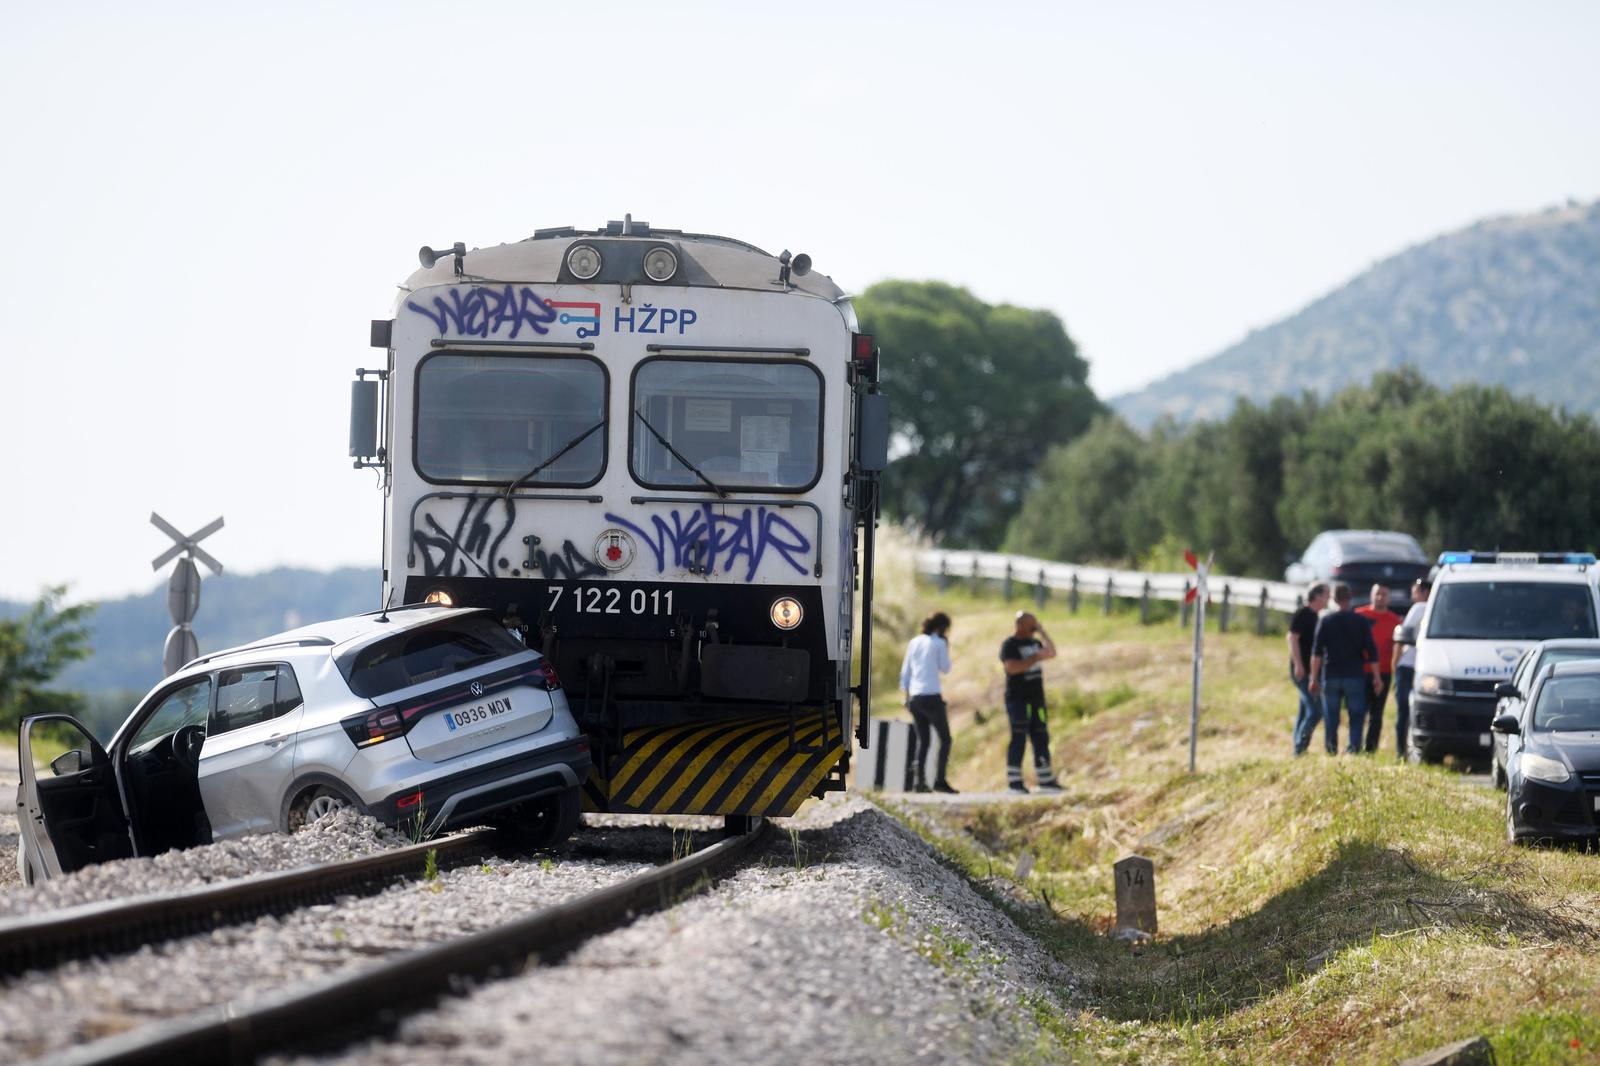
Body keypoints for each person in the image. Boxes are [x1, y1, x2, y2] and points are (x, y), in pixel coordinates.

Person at [1308, 583, 1381, 755]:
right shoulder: (1361, 622)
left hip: (1331, 675)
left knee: (1331, 717)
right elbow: (1372, 651)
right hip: (1354, 675)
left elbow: (1316, 652)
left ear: (1334, 599)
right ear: (1350, 598)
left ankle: (1331, 750)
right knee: (1356, 716)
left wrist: (1313, 677)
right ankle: (1353, 749)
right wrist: (1377, 677)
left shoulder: (1326, 621)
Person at [999, 611, 1062, 793]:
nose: (1033, 628)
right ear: (1020, 625)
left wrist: (1042, 631)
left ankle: (1046, 779)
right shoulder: (1010, 644)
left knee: (1041, 736)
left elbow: (1052, 652)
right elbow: (1012, 668)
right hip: (1018, 699)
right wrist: (1034, 657)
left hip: (1036, 699)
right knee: (1018, 736)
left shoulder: (1035, 642)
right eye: (1031, 625)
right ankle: (1015, 782)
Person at [899, 612, 957, 793]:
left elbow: (906, 671)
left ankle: (919, 782)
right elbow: (945, 668)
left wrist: (906, 697)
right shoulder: (939, 643)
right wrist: (946, 646)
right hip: (932, 696)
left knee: (923, 740)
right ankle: (940, 780)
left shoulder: (914, 642)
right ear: (941, 628)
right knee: (945, 739)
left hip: (915, 697)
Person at [1355, 585, 1400, 754]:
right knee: (1359, 711)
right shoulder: (1359, 615)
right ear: (1371, 595)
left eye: (1384, 594)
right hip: (1361, 671)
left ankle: (1371, 749)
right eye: (1377, 594)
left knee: (1377, 713)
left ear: (1389, 598)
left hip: (1384, 673)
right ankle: (1355, 746)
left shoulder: (1395, 621)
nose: (1380, 597)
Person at [1289, 583, 1331, 755]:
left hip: (1309, 671)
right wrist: (1298, 665)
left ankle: (1297, 748)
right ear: (1318, 596)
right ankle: (1300, 749)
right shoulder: (1304, 613)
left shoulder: (1315, 616)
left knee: (1305, 710)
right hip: (1303, 671)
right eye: (1327, 595)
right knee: (1315, 710)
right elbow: (1292, 638)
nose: (1329, 598)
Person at [1392, 578, 1430, 756]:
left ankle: (1401, 751)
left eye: (1415, 592)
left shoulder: (1419, 608)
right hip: (1427, 668)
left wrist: (1394, 664)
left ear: (1424, 593)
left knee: (1403, 712)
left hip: (1408, 665)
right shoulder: (1441, 608)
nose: (1413, 596)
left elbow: (1401, 637)